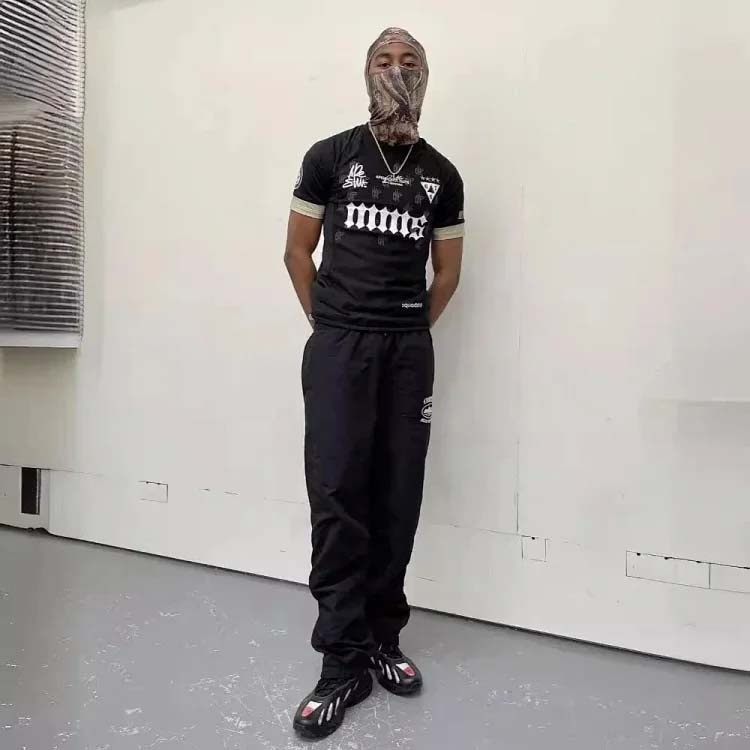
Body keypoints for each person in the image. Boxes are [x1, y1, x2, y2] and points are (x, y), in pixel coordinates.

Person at [284, 27, 464, 739]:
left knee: (397, 494)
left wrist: (407, 327)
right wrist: (331, 322)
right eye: (384, 59)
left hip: (407, 352)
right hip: (339, 348)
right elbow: (297, 252)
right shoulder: (329, 157)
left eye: (409, 60)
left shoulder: (442, 175)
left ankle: (384, 638)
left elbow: (447, 274)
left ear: (425, 76)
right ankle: (341, 662)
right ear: (366, 73)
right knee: (337, 495)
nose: (396, 68)